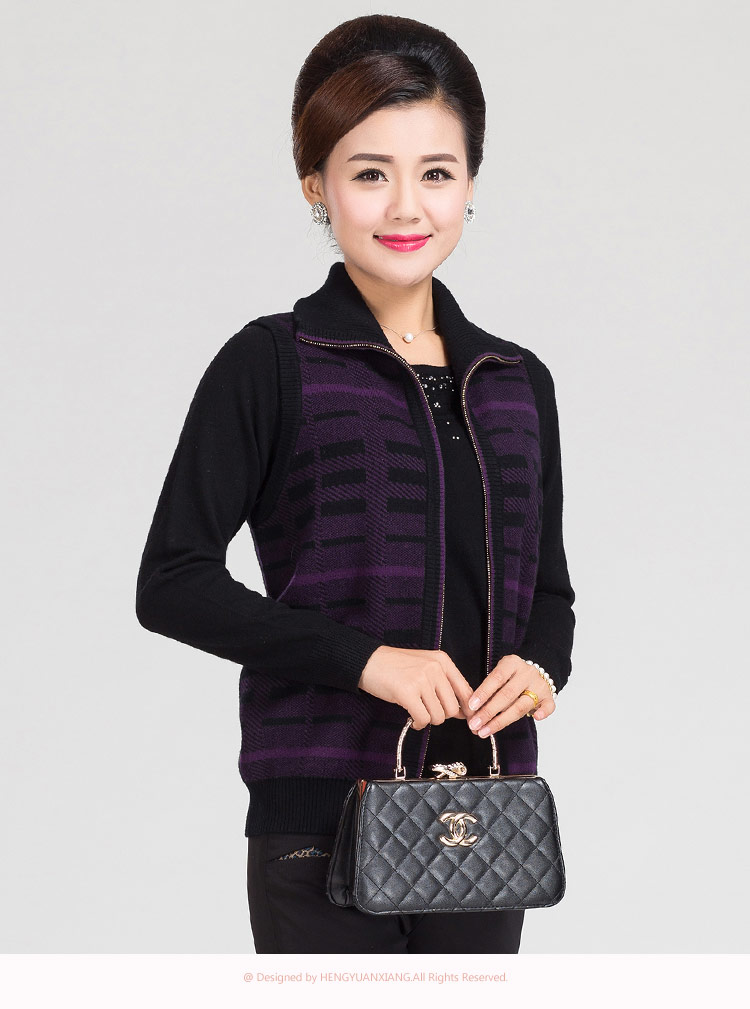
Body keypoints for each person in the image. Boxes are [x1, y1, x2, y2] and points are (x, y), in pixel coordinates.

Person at [135, 13, 575, 954]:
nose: (406, 207)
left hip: (484, 818)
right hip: (320, 820)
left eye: (437, 173)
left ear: (471, 184)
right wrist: (366, 659)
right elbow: (171, 580)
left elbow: (549, 593)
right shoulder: (273, 362)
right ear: (316, 184)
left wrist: (542, 668)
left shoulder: (515, 381)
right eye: (371, 173)